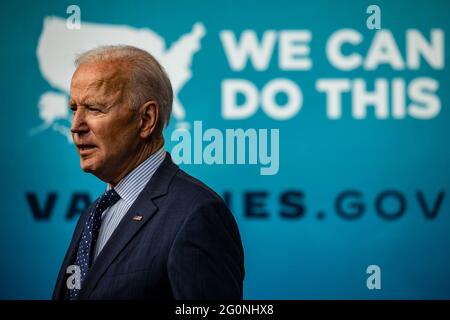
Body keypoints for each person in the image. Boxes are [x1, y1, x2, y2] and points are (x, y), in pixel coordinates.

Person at [52, 45, 245, 300]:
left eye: (95, 109)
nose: (75, 126)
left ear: (145, 119)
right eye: (74, 109)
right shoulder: (95, 213)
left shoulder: (196, 214)